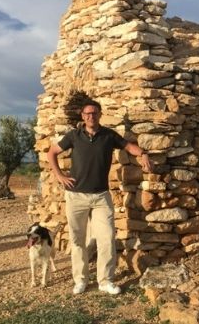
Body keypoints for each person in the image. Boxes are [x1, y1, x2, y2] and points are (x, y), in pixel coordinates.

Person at [47, 99, 152, 295]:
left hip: (101, 197)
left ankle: (105, 280)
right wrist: (59, 175)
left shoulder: (108, 135)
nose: (90, 116)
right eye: (87, 114)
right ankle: (80, 280)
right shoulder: (74, 136)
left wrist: (143, 153)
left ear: (100, 114)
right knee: (78, 240)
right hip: (76, 196)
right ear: (82, 116)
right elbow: (51, 152)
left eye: (94, 113)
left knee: (106, 239)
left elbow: (129, 147)